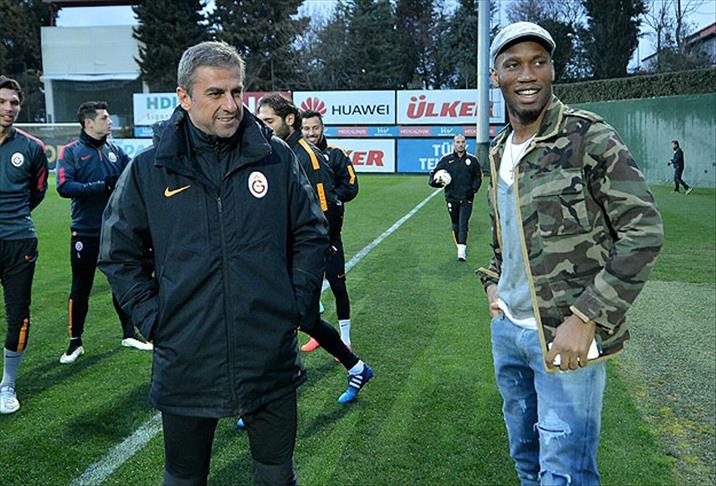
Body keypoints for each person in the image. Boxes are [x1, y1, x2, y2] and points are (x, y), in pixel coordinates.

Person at [98, 41, 328, 485]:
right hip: (186, 357)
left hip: (268, 355)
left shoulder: (276, 158)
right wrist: (154, 319)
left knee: (277, 476)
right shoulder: (149, 169)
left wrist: (296, 305)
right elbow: (118, 252)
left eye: (237, 92)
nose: (231, 105)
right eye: (216, 93)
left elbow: (311, 232)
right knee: (184, 477)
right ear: (184, 97)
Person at [477, 22, 664, 486]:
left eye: (538, 62)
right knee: (526, 462)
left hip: (565, 337)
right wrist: (493, 282)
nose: (527, 74)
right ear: (495, 75)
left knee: (565, 475)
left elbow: (643, 231)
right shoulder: (498, 150)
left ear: (552, 70)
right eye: (513, 64)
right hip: (510, 332)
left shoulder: (588, 136)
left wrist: (586, 317)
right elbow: (506, 236)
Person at [257, 94, 373, 404]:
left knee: (282, 318)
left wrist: (326, 244)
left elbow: (327, 206)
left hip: (304, 255)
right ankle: (357, 368)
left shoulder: (306, 156)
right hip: (287, 252)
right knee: (304, 321)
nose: (263, 127)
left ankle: (269, 395)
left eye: (269, 121)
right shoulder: (279, 150)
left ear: (288, 120)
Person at [56, 101, 152, 365]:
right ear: (89, 123)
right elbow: (64, 187)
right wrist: (102, 186)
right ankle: (75, 342)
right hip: (85, 231)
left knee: (121, 281)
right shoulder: (71, 152)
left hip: (116, 231)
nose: (110, 122)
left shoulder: (115, 150)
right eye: (105, 118)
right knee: (81, 286)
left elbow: (132, 173)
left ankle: (129, 334)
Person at [0, 76, 48, 414]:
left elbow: (38, 192)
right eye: (2, 102)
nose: (9, 108)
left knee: (18, 313)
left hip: (19, 240)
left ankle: (7, 384)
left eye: (14, 103)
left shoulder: (32, 148)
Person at [300, 110, 358, 352]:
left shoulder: (336, 154)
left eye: (315, 128)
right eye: (306, 128)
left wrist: (332, 198)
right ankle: (317, 333)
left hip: (330, 235)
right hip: (305, 236)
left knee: (337, 286)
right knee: (309, 287)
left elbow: (352, 186)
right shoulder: (297, 156)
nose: (311, 133)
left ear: (322, 128)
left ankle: (345, 339)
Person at [428, 134, 482, 261]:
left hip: (467, 198)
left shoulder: (472, 160)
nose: (460, 144)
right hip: (451, 198)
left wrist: (473, 190)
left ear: (466, 144)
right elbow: (433, 174)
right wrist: (434, 182)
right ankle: (460, 246)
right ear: (454, 144)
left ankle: (461, 252)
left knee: (463, 223)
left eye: (462, 142)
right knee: (455, 224)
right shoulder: (446, 160)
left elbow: (478, 177)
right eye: (458, 142)